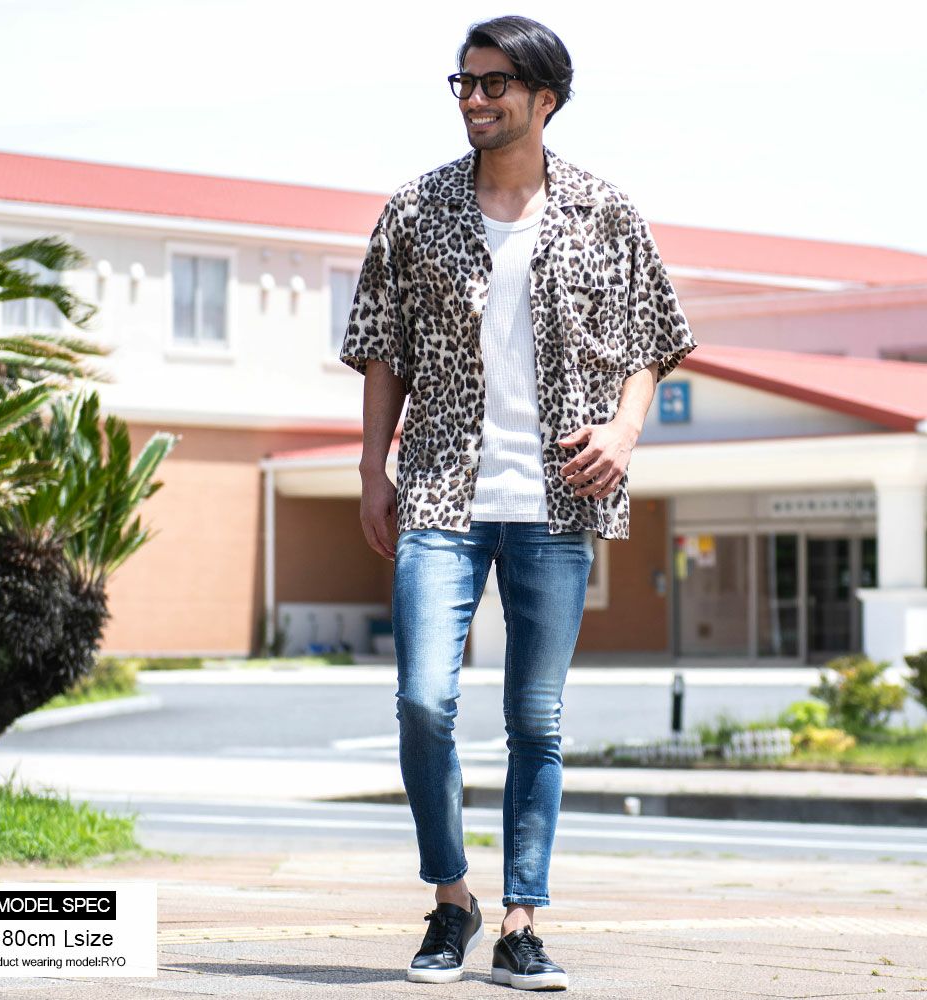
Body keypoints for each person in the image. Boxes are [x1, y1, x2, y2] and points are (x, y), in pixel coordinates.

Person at [339, 14, 697, 991]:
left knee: (536, 719)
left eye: (494, 83)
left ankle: (521, 922)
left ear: (545, 98)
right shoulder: (414, 209)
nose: (474, 98)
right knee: (423, 701)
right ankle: (450, 901)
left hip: (558, 498)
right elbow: (380, 346)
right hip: (441, 487)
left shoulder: (604, 211)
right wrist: (372, 470)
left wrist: (625, 432)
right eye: (463, 82)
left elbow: (653, 338)